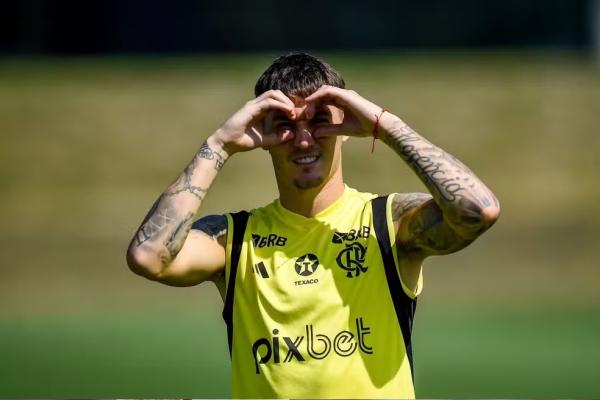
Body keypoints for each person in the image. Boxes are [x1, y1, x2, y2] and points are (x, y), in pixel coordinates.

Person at [126, 52, 500, 399]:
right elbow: (149, 256)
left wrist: (384, 125)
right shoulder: (233, 239)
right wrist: (220, 144)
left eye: (320, 121)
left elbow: (476, 210)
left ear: (345, 125)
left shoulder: (388, 222)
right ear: (262, 134)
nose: (303, 139)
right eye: (285, 125)